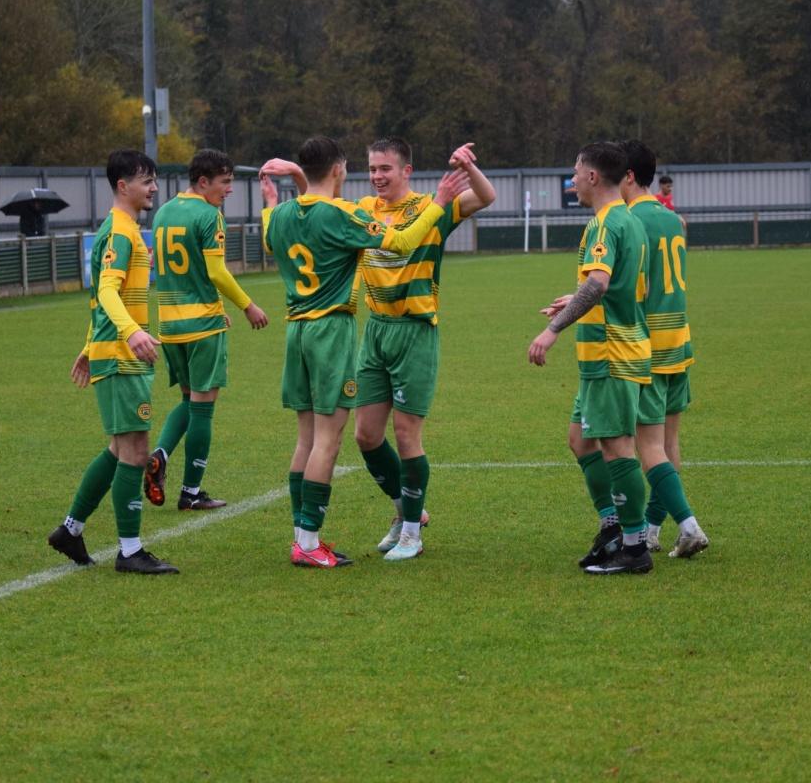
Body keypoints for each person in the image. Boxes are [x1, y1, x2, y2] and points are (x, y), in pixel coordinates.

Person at [262, 139, 497, 561]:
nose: (377, 176)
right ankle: (404, 512)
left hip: (414, 330)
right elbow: (319, 202)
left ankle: (411, 532)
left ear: (407, 171)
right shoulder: (363, 209)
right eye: (372, 168)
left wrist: (466, 167)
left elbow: (485, 196)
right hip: (374, 331)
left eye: (385, 168)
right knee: (366, 436)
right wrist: (299, 175)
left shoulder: (432, 206)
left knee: (407, 435)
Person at [47, 149, 177, 575]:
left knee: (119, 449)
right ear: (123, 186)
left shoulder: (120, 230)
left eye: (154, 179)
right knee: (136, 452)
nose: (153, 187)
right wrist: (131, 332)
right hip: (122, 354)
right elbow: (106, 292)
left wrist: (90, 344)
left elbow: (103, 299)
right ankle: (130, 550)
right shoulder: (120, 232)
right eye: (145, 180)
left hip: (113, 349)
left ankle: (71, 529)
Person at [530, 141, 653, 575]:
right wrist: (571, 301)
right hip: (605, 351)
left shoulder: (606, 224)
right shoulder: (626, 219)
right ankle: (613, 525)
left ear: (594, 177)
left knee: (617, 447)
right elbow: (615, 286)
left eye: (576, 172)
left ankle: (635, 547)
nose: (573, 180)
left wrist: (553, 328)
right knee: (580, 440)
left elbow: (599, 284)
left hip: (613, 352)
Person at [143, 148, 269, 512]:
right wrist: (247, 305)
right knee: (203, 407)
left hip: (170, 326)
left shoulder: (164, 212)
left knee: (188, 400)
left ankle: (161, 454)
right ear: (203, 182)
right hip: (202, 327)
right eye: (224, 182)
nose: (228, 190)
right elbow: (215, 271)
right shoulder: (209, 215)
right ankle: (192, 492)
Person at [619, 140, 708, 558]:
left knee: (646, 445)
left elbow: (638, 287)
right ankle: (654, 527)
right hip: (679, 339)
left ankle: (688, 525)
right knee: (668, 442)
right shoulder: (673, 219)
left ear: (629, 176)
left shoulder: (631, 220)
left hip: (648, 344)